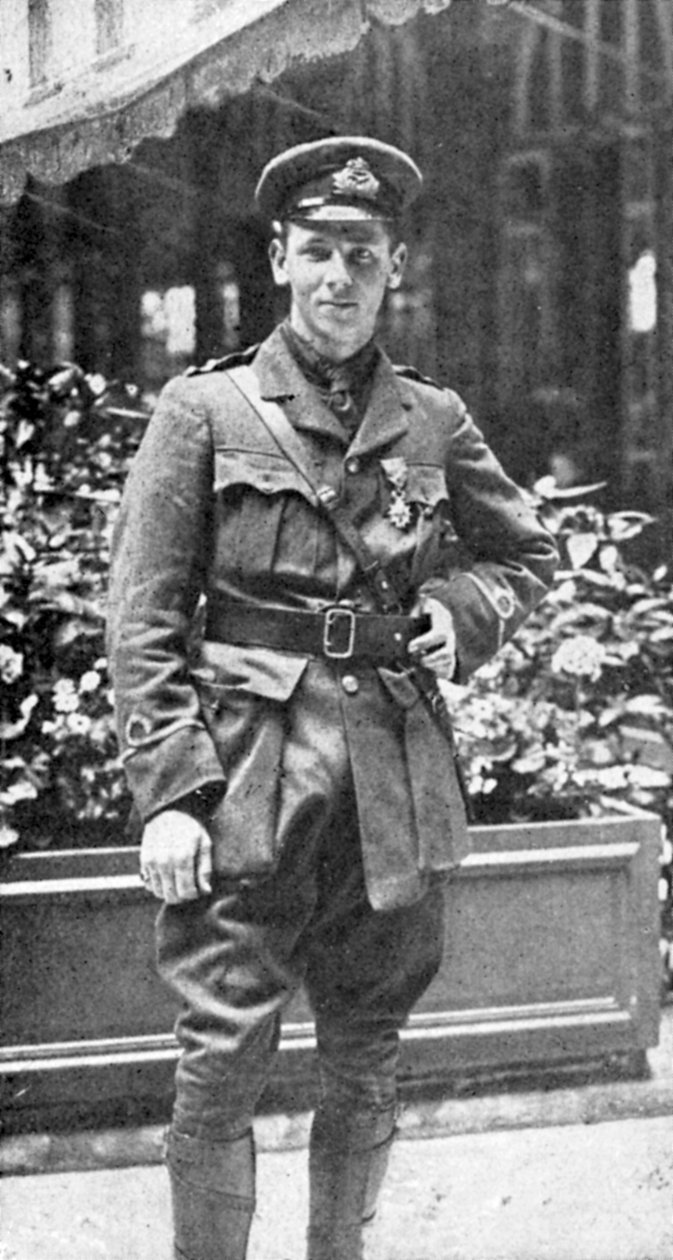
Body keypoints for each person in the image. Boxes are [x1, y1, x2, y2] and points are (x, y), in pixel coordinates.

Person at [107, 135, 558, 1260]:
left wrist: (460, 611)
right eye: (317, 251)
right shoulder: (204, 411)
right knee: (222, 1057)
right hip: (246, 775)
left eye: (362, 254)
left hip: (389, 773)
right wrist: (169, 797)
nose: (338, 278)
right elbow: (143, 618)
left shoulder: (430, 419)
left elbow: (524, 555)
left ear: (393, 266)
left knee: (366, 1052)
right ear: (279, 259)